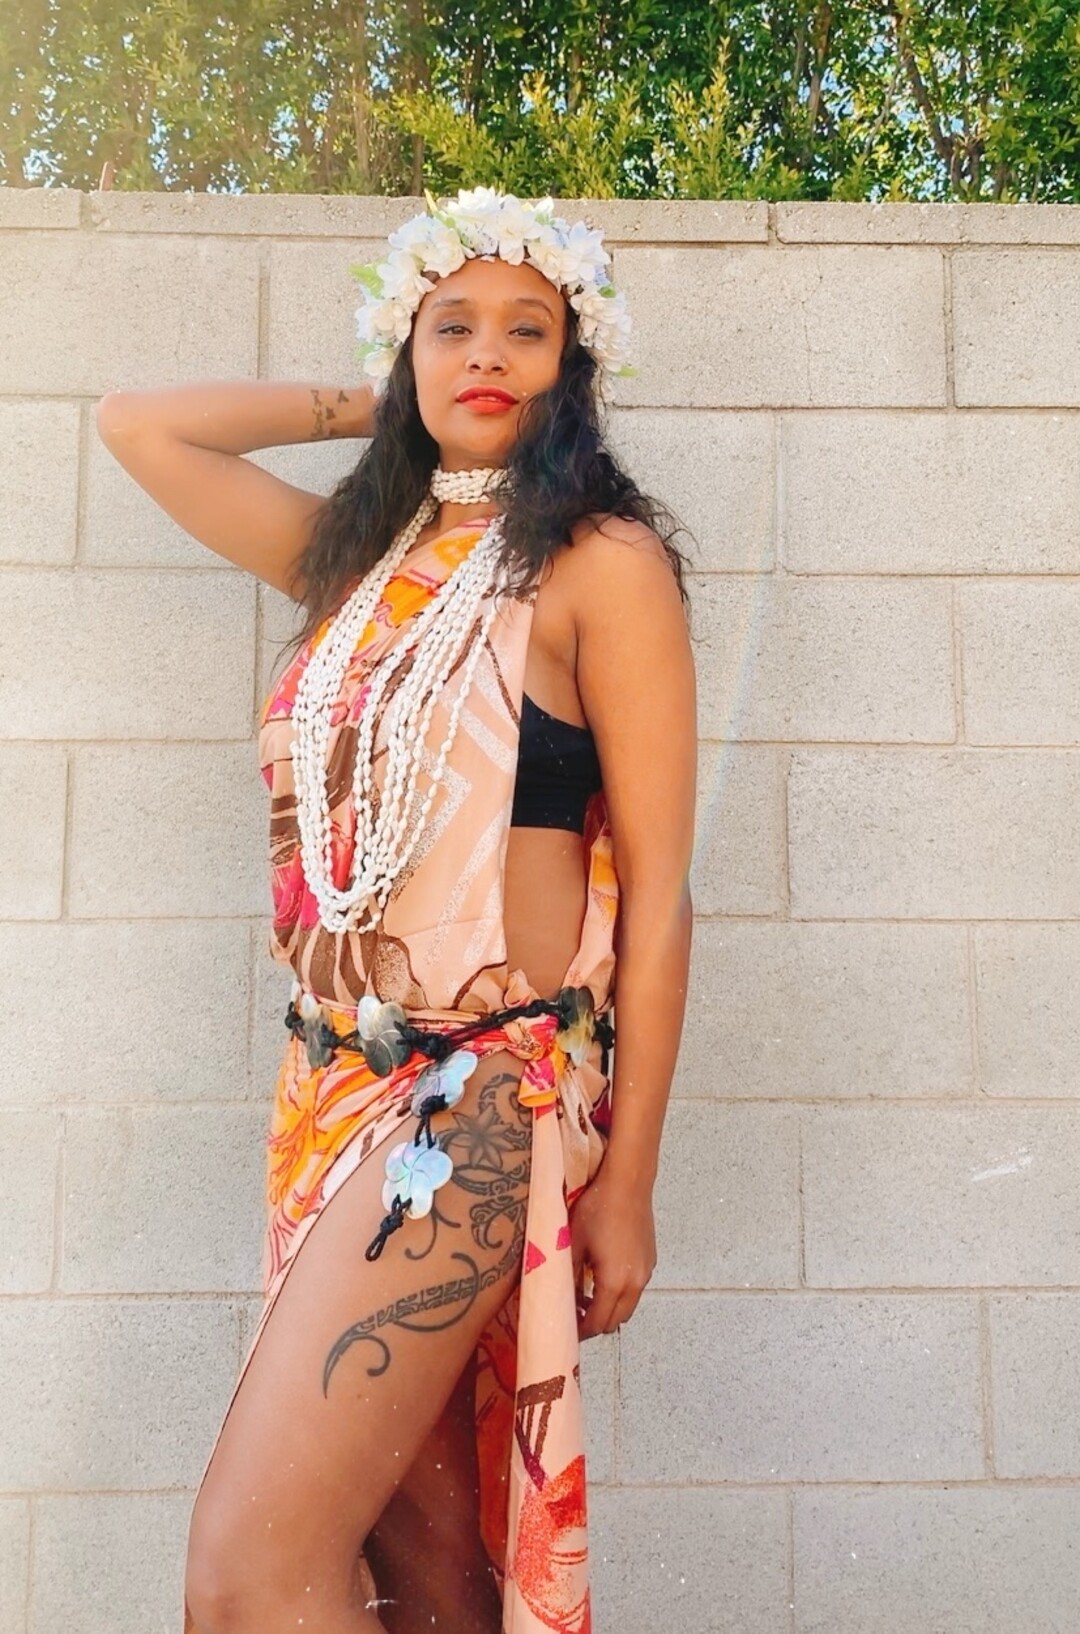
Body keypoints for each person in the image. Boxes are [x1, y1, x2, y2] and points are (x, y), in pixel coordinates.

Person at [96, 185, 697, 1634]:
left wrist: (629, 1182)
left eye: (526, 331)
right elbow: (140, 426)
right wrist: (378, 408)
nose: (487, 353)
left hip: (478, 1094)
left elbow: (665, 895)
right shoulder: (361, 565)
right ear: (405, 353)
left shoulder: (600, 564)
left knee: (249, 1572)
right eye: (451, 328)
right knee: (428, 1581)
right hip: (327, 1093)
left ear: (573, 368)